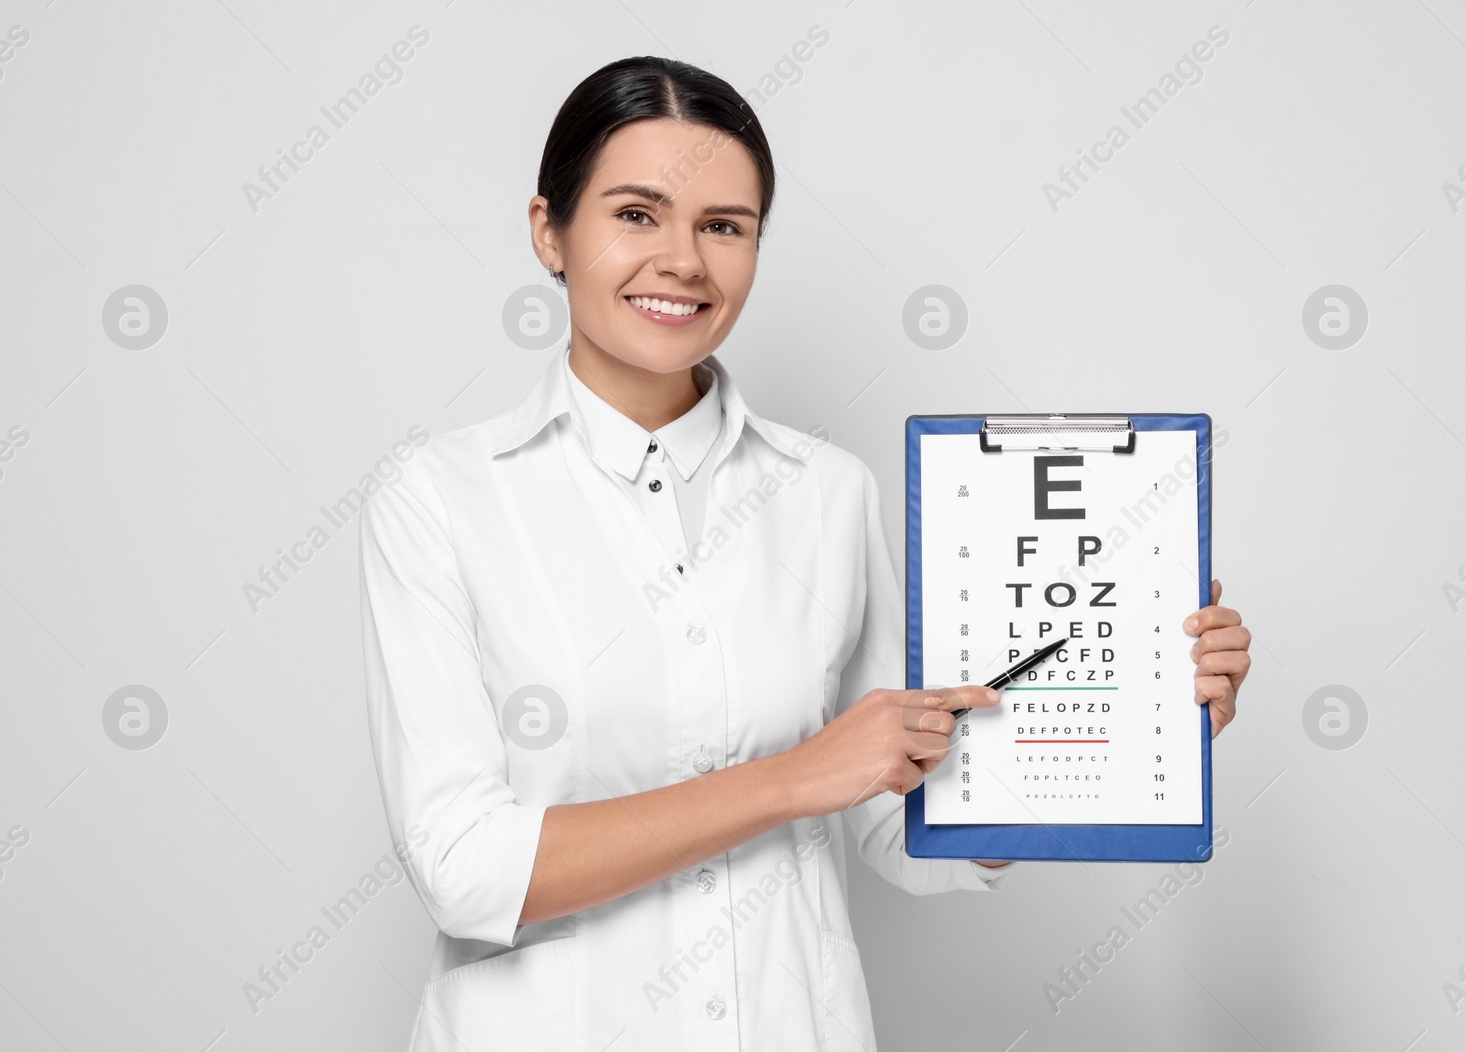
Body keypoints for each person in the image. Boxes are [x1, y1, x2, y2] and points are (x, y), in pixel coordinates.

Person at [358, 55, 1252, 1051]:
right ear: (549, 232)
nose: (684, 261)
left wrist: (1128, 724)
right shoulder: (440, 498)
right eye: (636, 214)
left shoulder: (828, 493)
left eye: (724, 226)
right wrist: (791, 778)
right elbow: (464, 866)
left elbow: (889, 822)